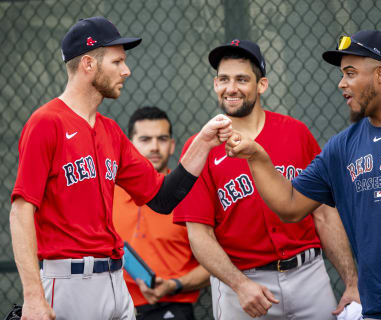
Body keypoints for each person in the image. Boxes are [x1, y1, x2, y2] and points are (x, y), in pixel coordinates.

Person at [225, 30, 381, 320]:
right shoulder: (341, 147)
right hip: (379, 307)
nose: (341, 83)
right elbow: (290, 205)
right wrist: (257, 157)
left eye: (350, 73)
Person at [9, 16, 232, 320]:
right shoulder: (46, 123)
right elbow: (21, 213)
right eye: (117, 61)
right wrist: (33, 296)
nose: (126, 70)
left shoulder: (110, 131)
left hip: (115, 283)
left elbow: (162, 198)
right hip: (70, 282)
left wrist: (204, 142)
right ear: (88, 64)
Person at [173, 39, 360, 319]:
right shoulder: (199, 147)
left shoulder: (296, 133)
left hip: (308, 276)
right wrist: (239, 284)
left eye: (242, 79)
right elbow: (199, 234)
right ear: (214, 84)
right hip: (243, 286)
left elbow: (324, 213)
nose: (231, 88)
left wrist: (352, 282)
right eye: (223, 79)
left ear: (262, 85)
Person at [113, 106, 210, 320]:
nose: (155, 147)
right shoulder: (108, 194)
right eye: (145, 139)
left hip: (172, 307)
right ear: (130, 145)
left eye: (162, 139)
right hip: (114, 305)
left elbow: (214, 265)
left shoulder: (190, 195)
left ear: (172, 145)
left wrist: (175, 285)